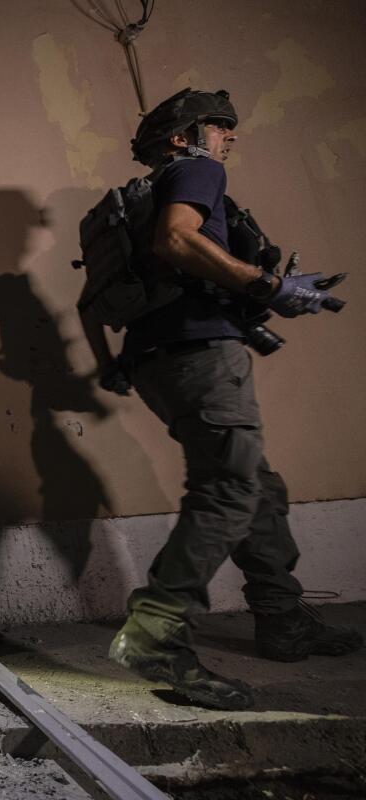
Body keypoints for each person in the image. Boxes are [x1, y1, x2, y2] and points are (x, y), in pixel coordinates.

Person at [83, 89, 361, 710]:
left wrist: (115, 368)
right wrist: (269, 283)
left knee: (257, 486)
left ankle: (282, 620)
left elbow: (91, 303)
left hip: (161, 358)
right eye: (220, 126)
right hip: (201, 354)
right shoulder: (198, 170)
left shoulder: (131, 202)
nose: (231, 136)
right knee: (229, 491)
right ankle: (154, 635)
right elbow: (177, 243)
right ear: (184, 137)